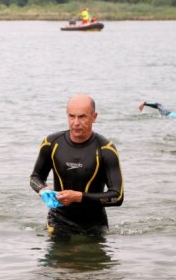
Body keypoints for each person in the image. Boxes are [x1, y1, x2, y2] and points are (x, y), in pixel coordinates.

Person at [29, 94, 124, 238]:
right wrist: (42, 188)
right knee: (62, 258)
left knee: (91, 259)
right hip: (58, 221)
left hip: (95, 224)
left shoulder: (106, 150)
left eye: (82, 117)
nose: (76, 122)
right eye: (71, 116)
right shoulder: (51, 143)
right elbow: (35, 177)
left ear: (94, 117)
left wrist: (79, 197)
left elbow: (117, 197)